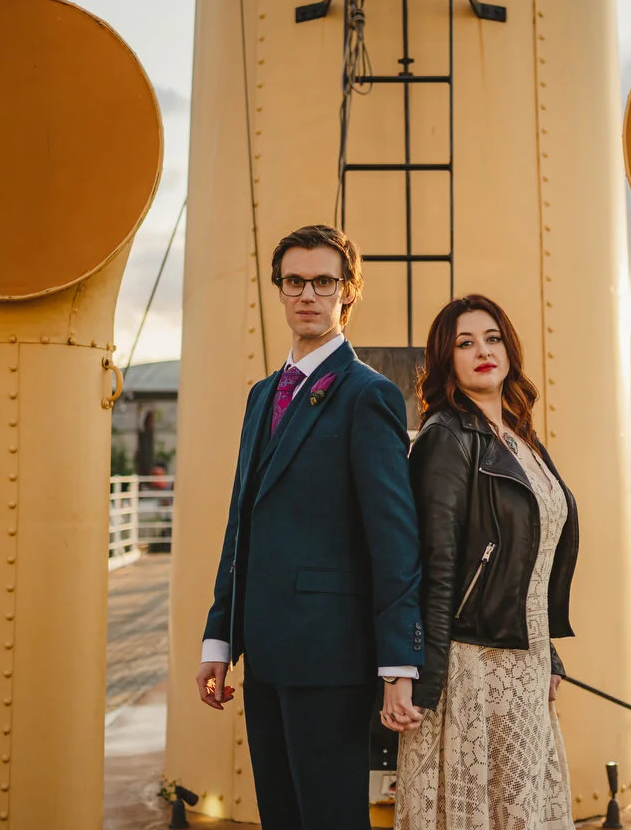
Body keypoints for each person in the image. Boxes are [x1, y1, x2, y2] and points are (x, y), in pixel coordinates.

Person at [196, 224, 425, 830]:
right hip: (264, 652)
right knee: (281, 816)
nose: (307, 294)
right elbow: (241, 522)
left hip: (331, 656)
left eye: (323, 282)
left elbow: (395, 538)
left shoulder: (369, 395)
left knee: (329, 818)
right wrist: (220, 639)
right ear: (279, 289)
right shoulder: (261, 395)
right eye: (294, 281)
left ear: (348, 292)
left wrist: (398, 664)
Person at [395, 295, 580, 830]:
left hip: (524, 657)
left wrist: (549, 655)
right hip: (472, 663)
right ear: (446, 359)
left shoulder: (521, 436)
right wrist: (425, 680)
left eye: (492, 338)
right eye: (465, 342)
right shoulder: (446, 437)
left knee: (521, 808)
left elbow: (531, 558)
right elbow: (438, 566)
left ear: (509, 349)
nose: (483, 351)